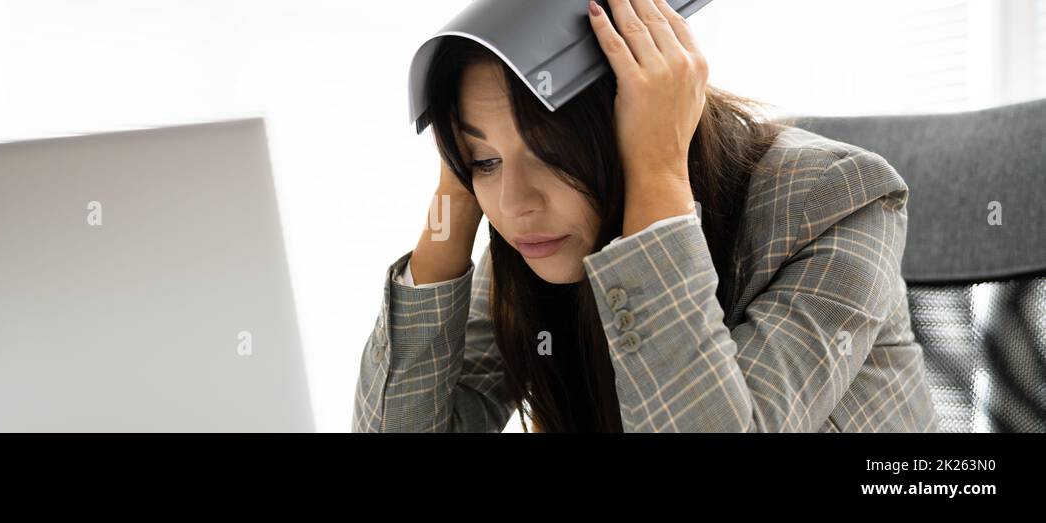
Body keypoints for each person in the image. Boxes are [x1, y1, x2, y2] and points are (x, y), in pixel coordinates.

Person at [352, 0, 938, 432]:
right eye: (485, 160)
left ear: (637, 120)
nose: (513, 205)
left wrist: (656, 172)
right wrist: (455, 194)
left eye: (552, 155)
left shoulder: (839, 200)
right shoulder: (537, 234)